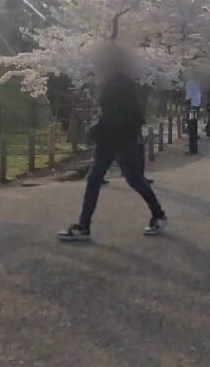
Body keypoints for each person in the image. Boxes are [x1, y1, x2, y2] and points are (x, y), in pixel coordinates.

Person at [58, 44, 167, 242]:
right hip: (108, 140)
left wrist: (106, 127)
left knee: (134, 180)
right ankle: (84, 226)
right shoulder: (109, 82)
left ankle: (158, 214)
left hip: (123, 139)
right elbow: (109, 112)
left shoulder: (123, 83)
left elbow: (130, 114)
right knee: (93, 180)